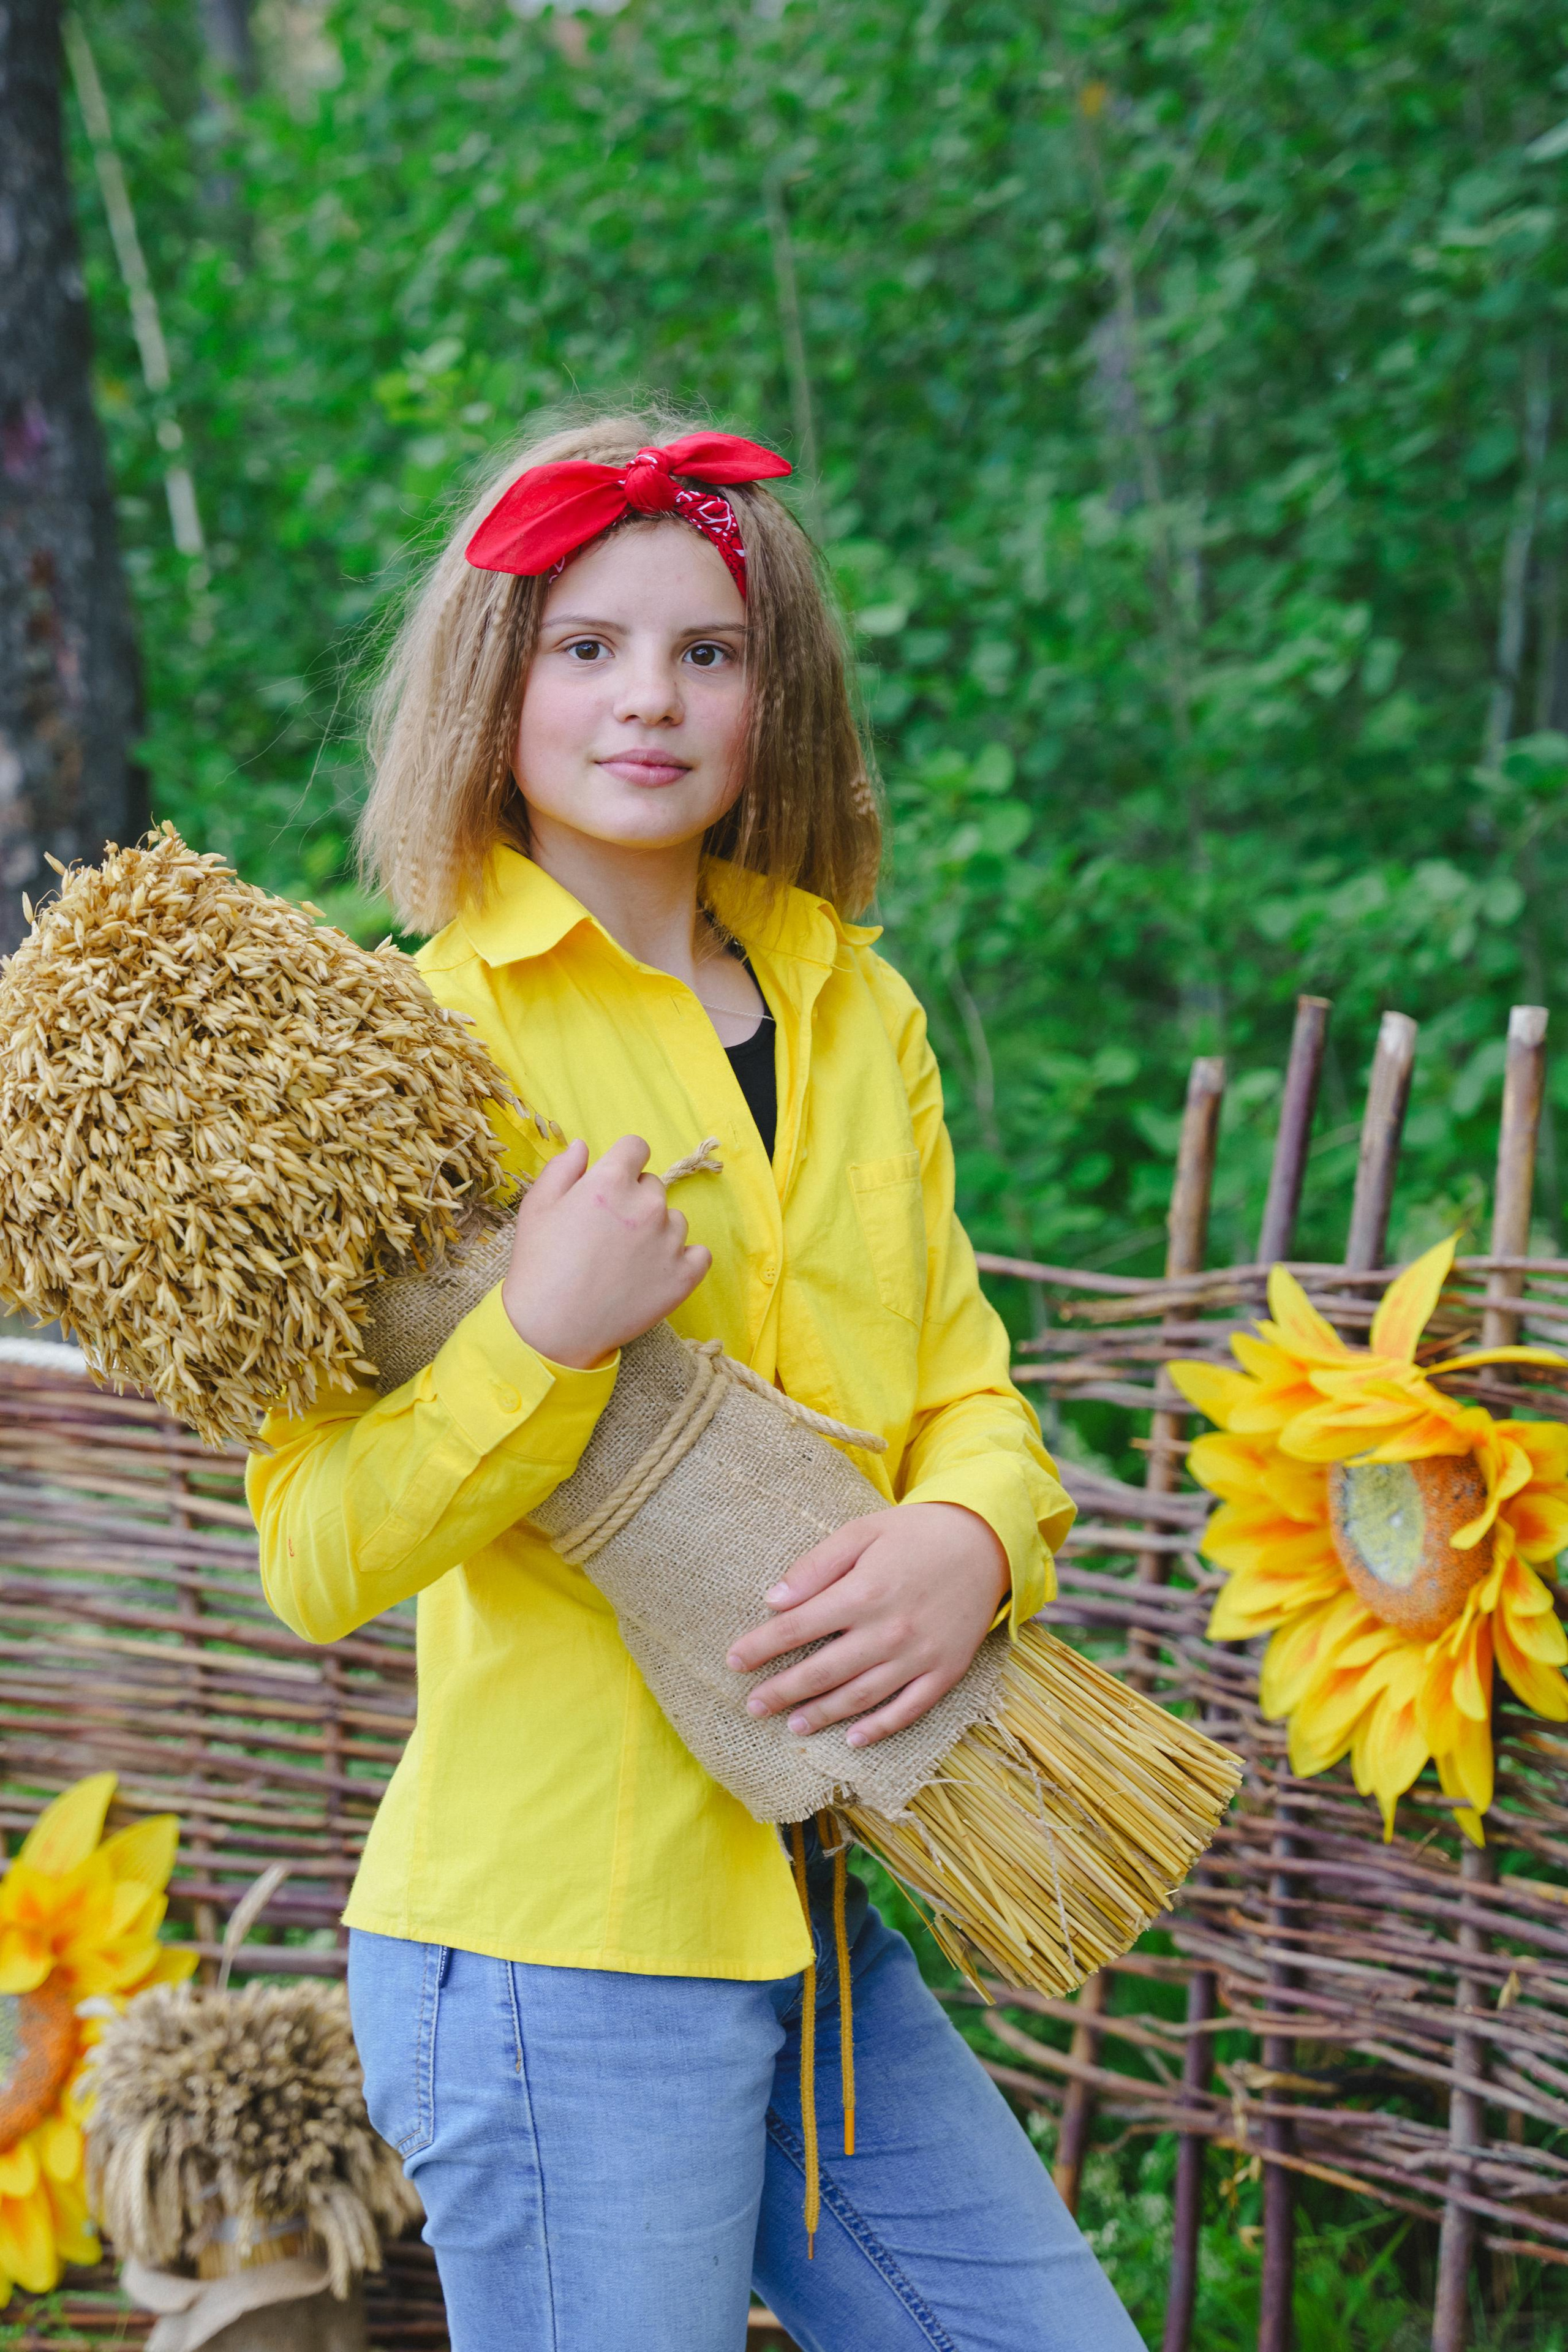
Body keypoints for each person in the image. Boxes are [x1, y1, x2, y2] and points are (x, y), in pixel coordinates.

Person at [246, 409, 1144, 2352]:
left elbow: (969, 1389)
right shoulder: (405, 1053)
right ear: (496, 687)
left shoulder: (852, 998)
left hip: (822, 1931)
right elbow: (313, 1556)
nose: (646, 700)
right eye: (585, 646)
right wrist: (538, 1337)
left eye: (704, 652)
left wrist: (974, 1542)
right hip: (555, 1947)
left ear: (772, 697)